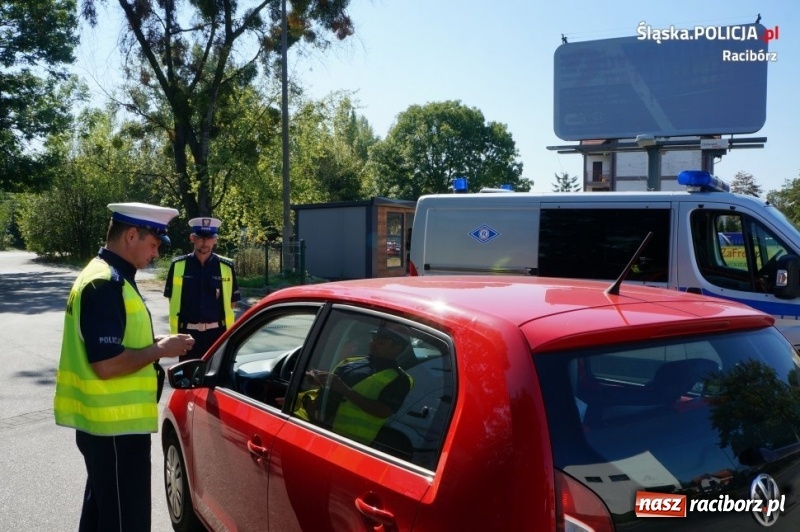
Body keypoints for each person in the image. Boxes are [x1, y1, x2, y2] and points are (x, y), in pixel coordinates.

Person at [53, 202, 196, 532]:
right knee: (125, 522)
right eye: (154, 244)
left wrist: (158, 342)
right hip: (115, 430)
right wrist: (160, 348)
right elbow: (106, 364)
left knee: (102, 514)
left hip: (107, 428)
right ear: (131, 235)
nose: (156, 253)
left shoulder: (106, 275)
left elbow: (115, 341)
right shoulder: (107, 283)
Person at [297, 326, 413, 445]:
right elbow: (331, 389)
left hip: (347, 442)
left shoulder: (400, 379)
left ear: (398, 348)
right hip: (314, 426)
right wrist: (318, 380)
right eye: (374, 338)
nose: (374, 343)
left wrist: (344, 390)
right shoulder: (351, 361)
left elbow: (384, 411)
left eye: (381, 341)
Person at [163, 217, 241, 361]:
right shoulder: (178, 265)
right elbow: (171, 299)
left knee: (212, 379)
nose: (205, 242)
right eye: (200, 238)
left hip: (217, 335)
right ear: (192, 238)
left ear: (215, 240)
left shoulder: (226, 266)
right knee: (188, 378)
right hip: (187, 335)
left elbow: (232, 302)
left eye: (209, 238)